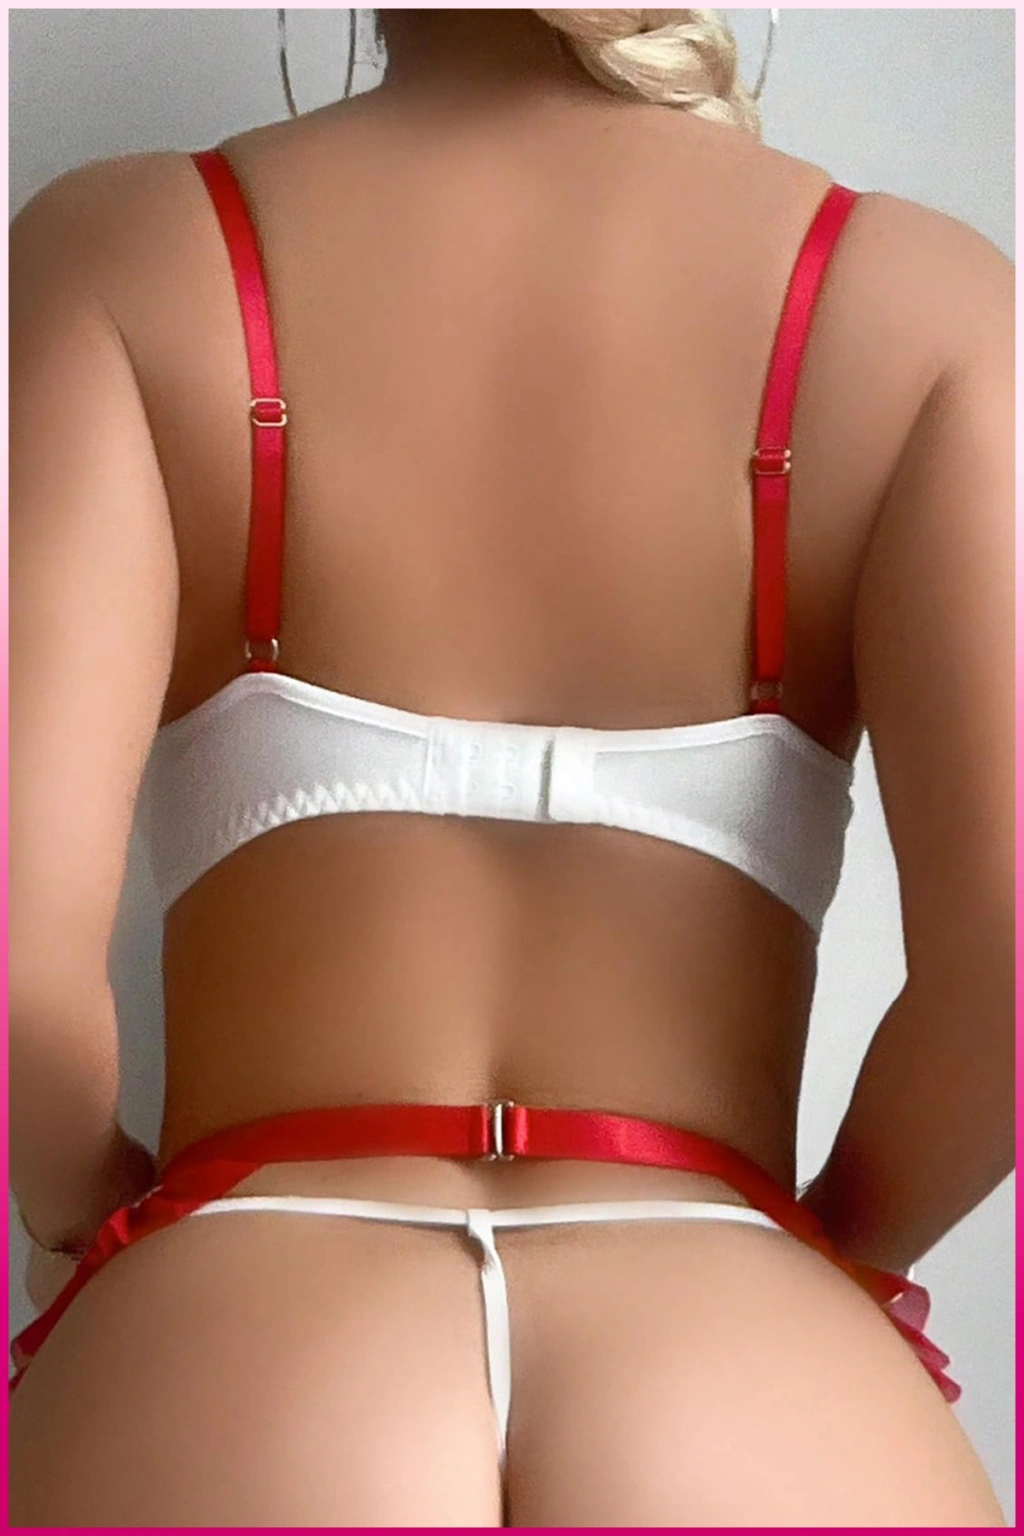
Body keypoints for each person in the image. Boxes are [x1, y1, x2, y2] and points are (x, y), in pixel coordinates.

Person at [8, 8, 1012, 1526]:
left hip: (248, 1336)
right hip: (751, 1365)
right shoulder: (927, 300)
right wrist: (822, 1259)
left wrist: (92, 1231)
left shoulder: (123, 253)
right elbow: (1009, 971)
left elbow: (17, 961)